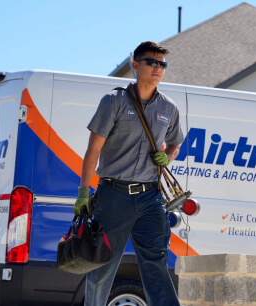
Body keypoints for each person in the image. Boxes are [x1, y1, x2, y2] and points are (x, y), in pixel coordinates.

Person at [75, 41, 183, 306]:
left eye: (162, 64)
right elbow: (93, 151)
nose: (158, 68)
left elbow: (175, 145)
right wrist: (83, 192)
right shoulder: (113, 101)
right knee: (102, 268)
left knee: (156, 265)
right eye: (152, 62)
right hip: (114, 196)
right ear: (135, 65)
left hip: (150, 198)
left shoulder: (169, 108)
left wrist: (166, 157)